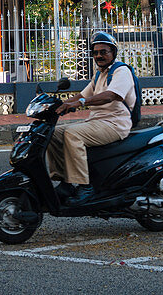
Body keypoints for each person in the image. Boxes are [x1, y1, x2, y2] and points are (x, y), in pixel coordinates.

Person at [46, 30, 137, 206]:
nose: (99, 56)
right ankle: (65, 182)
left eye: (103, 52)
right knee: (53, 133)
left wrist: (80, 103)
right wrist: (58, 105)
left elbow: (110, 96)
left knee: (73, 134)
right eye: (95, 53)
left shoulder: (121, 71)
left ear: (113, 52)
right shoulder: (99, 74)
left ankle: (84, 186)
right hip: (97, 122)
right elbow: (81, 95)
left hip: (115, 124)